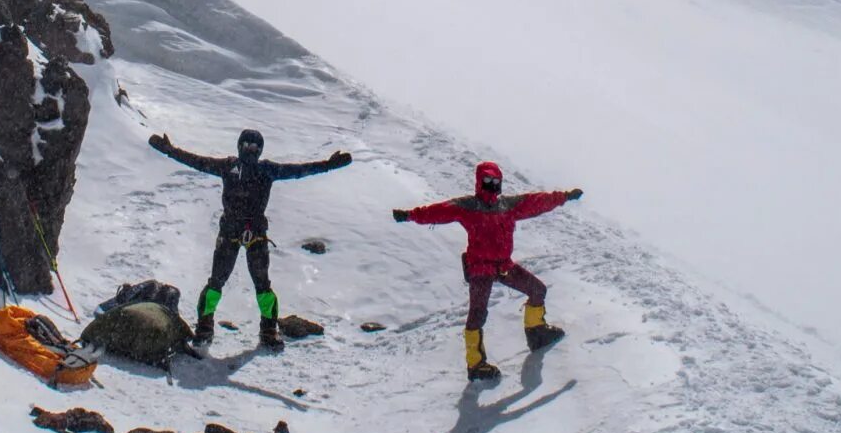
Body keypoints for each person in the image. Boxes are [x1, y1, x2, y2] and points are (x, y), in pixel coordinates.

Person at [149, 128, 352, 349]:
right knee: (217, 283)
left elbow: (299, 170)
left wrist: (327, 165)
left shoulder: (264, 169)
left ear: (260, 149)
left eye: (254, 147)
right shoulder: (237, 167)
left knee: (261, 286)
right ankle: (205, 329)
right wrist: (170, 151)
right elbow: (197, 161)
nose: (250, 150)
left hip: (252, 234)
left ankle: (267, 331)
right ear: (239, 146)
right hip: (234, 233)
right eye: (246, 145)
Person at [394, 162, 582, 381]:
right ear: (479, 182)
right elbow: (437, 212)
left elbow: (537, 202)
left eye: (495, 182)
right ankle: (475, 365)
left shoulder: (507, 205)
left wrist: (564, 197)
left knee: (537, 290)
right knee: (478, 313)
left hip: (504, 266)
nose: (492, 186)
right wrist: (409, 215)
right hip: (480, 268)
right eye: (488, 181)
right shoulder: (468, 206)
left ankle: (537, 334)